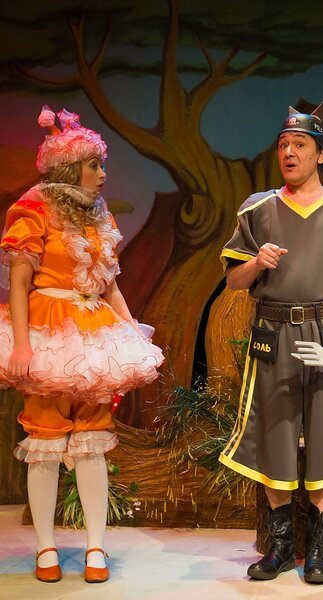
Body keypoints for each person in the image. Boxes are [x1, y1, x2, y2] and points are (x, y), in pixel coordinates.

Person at [219, 103, 323, 584]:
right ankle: (278, 548)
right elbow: (233, 280)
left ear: (321, 155)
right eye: (283, 145)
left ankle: (317, 549)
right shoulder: (257, 209)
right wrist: (257, 263)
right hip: (273, 333)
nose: (289, 153)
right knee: (274, 435)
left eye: (300, 145)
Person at [0, 106, 164, 583]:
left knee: (92, 443)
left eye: (101, 164)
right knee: (46, 441)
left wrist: (130, 328)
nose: (103, 174)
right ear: (70, 168)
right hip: (49, 330)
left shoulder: (98, 214)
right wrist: (23, 345)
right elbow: (19, 282)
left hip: (92, 332)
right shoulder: (33, 209)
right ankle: (46, 549)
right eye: (94, 165)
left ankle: (95, 547)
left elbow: (108, 282)